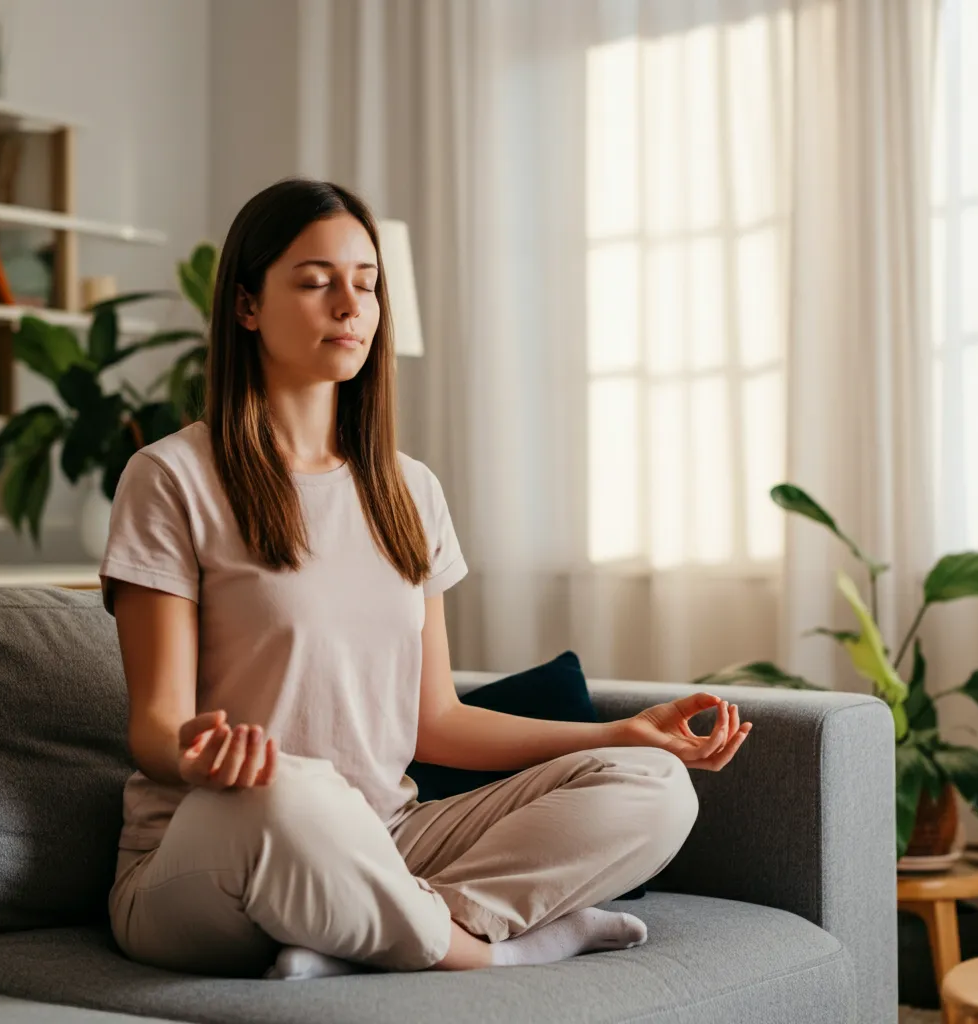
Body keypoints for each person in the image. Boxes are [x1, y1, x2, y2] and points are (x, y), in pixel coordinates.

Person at [101, 178, 752, 981]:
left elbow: (435, 722)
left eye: (367, 283)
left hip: (385, 838)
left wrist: (621, 732)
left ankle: (360, 934)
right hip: (213, 847)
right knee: (295, 793)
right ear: (246, 306)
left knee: (656, 788)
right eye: (315, 282)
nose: (351, 305)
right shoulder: (171, 477)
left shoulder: (410, 489)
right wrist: (200, 759)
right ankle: (482, 954)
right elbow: (156, 726)